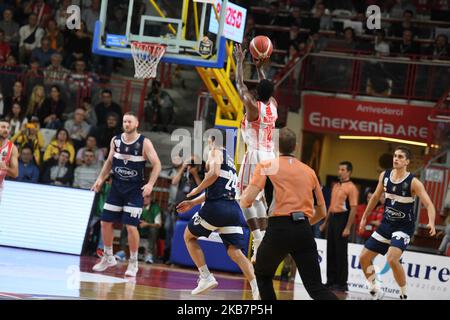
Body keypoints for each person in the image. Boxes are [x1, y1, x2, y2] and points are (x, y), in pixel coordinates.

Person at [241, 127, 338, 300]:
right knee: (315, 287)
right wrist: (304, 225)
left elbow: (246, 201)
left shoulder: (267, 166)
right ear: (296, 146)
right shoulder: (310, 172)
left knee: (262, 275)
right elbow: (322, 211)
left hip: (279, 229)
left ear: (276, 146)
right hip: (304, 230)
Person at [176, 130, 260, 300]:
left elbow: (213, 174)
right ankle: (256, 287)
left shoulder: (215, 152)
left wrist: (196, 189)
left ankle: (206, 276)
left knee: (188, 237)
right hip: (232, 208)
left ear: (211, 141)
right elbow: (217, 188)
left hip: (216, 208)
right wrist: (193, 203)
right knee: (235, 252)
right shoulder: (230, 160)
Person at [359, 146, 436, 300]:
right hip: (386, 224)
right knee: (363, 258)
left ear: (407, 161)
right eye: (395, 156)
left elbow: (429, 204)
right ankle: (375, 288)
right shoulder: (385, 176)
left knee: (392, 258)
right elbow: (375, 197)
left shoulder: (413, 182)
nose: (396, 159)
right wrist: (364, 217)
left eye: (400, 157)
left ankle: (403, 293)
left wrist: (432, 222)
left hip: (403, 227)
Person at [91, 112, 161, 277]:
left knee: (130, 226)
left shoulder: (144, 143)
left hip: (134, 190)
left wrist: (150, 184)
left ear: (136, 124)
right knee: (105, 222)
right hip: (116, 187)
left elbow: (157, 164)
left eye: (129, 121)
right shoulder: (115, 140)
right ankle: (108, 256)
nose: (126, 124)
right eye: (124, 121)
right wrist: (100, 179)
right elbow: (109, 161)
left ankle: (133, 262)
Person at [233, 44, 278, 263]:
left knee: (243, 198)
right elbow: (267, 86)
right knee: (258, 199)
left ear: (257, 93)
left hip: (256, 155)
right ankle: (263, 237)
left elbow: (239, 84)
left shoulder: (252, 107)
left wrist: (240, 61)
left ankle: (259, 238)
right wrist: (261, 68)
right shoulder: (274, 106)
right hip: (271, 157)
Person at [320, 161, 359, 292]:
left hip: (343, 219)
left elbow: (353, 209)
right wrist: (325, 223)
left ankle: (342, 283)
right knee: (330, 250)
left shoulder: (351, 188)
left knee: (340, 252)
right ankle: (330, 281)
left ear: (349, 172)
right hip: (333, 219)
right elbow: (331, 206)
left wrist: (348, 227)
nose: (340, 172)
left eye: (343, 170)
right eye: (339, 169)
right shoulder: (336, 186)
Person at [0, 118, 19, 203]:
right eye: (3, 127)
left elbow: (15, 174)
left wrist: (5, 168)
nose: (6, 130)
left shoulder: (12, 148)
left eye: (8, 127)